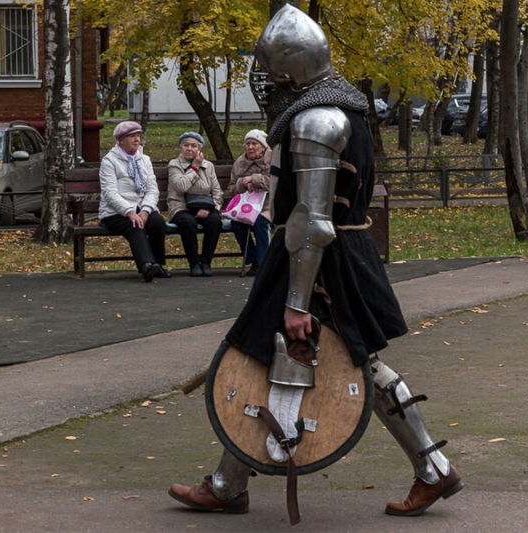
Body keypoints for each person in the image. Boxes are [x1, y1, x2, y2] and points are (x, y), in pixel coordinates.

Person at [169, 4, 462, 519]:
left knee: (281, 352)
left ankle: (227, 484)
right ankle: (228, 481)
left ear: (292, 70)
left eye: (270, 71)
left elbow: (312, 219)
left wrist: (298, 300)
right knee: (275, 354)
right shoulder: (341, 106)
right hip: (328, 253)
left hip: (317, 260)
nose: (265, 82)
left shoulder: (316, 120)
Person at [98, 121, 169, 282]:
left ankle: (157, 265)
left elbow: (152, 189)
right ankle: (146, 266)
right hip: (115, 212)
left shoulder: (144, 159)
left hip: (141, 208)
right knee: (135, 226)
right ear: (121, 140)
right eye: (132, 136)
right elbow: (110, 193)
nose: (137, 139)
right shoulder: (110, 161)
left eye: (138, 136)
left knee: (157, 222)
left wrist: (145, 210)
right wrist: (130, 212)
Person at [167, 132, 224, 277]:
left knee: (215, 221)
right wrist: (195, 167)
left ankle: (206, 262)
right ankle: (193, 262)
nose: (189, 149)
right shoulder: (174, 165)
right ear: (181, 147)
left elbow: (217, 191)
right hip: (181, 207)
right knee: (188, 222)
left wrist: (211, 208)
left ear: (199, 149)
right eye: (186, 145)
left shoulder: (209, 166)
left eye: (194, 146)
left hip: (205, 207)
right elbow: (181, 186)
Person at [228, 129, 272, 277]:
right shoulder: (240, 163)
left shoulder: (273, 159)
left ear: (263, 146)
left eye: (254, 143)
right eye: (248, 144)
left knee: (260, 222)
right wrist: (242, 183)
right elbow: (232, 188)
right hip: (246, 207)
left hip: (269, 205)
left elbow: (279, 183)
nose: (250, 147)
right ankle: (253, 259)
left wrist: (255, 179)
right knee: (237, 224)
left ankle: (262, 264)